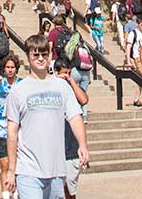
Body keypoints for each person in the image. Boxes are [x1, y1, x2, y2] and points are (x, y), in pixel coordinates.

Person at [4, 35, 89, 199]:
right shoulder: (18, 91)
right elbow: (12, 132)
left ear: (50, 56)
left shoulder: (62, 87)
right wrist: (11, 170)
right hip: (28, 169)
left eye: (44, 54)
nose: (40, 58)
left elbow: (75, 117)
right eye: (35, 54)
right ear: (28, 57)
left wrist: (82, 145)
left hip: (56, 169)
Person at [0, 53, 24, 199]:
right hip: (2, 131)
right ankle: (6, 194)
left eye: (12, 67)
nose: (10, 70)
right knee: (5, 164)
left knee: (18, 164)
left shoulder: (22, 85)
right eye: (7, 67)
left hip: (20, 132)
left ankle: (18, 192)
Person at [54, 58, 90, 199]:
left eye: (68, 73)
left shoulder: (71, 88)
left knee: (70, 189)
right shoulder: (51, 86)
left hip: (70, 146)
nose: (66, 76)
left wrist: (71, 81)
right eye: (63, 73)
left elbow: (84, 100)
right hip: (55, 147)